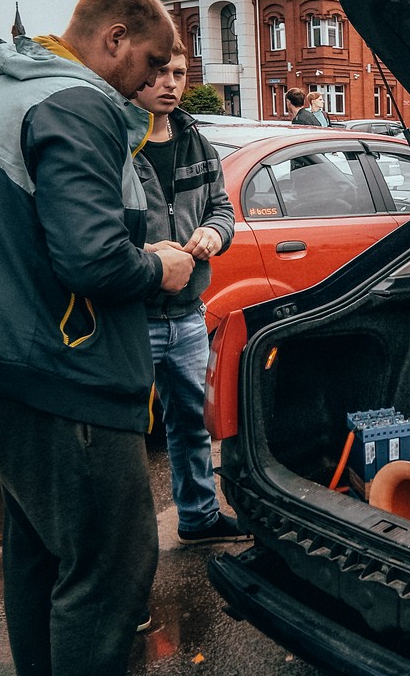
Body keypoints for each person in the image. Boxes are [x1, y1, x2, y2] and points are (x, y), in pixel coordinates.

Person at [0, 0, 192, 676]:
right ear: (114, 40)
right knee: (110, 568)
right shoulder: (77, 105)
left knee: (41, 549)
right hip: (59, 378)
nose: (153, 81)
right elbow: (93, 260)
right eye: (151, 60)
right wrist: (157, 267)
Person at [131, 41, 248, 547]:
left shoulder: (196, 142)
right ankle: (126, 548)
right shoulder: (113, 145)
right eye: (159, 72)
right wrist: (145, 254)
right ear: (136, 74)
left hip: (187, 316)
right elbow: (90, 234)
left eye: (178, 72)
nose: (171, 83)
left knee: (191, 425)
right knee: (124, 439)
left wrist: (216, 234)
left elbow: (222, 208)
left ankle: (199, 520)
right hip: (130, 318)